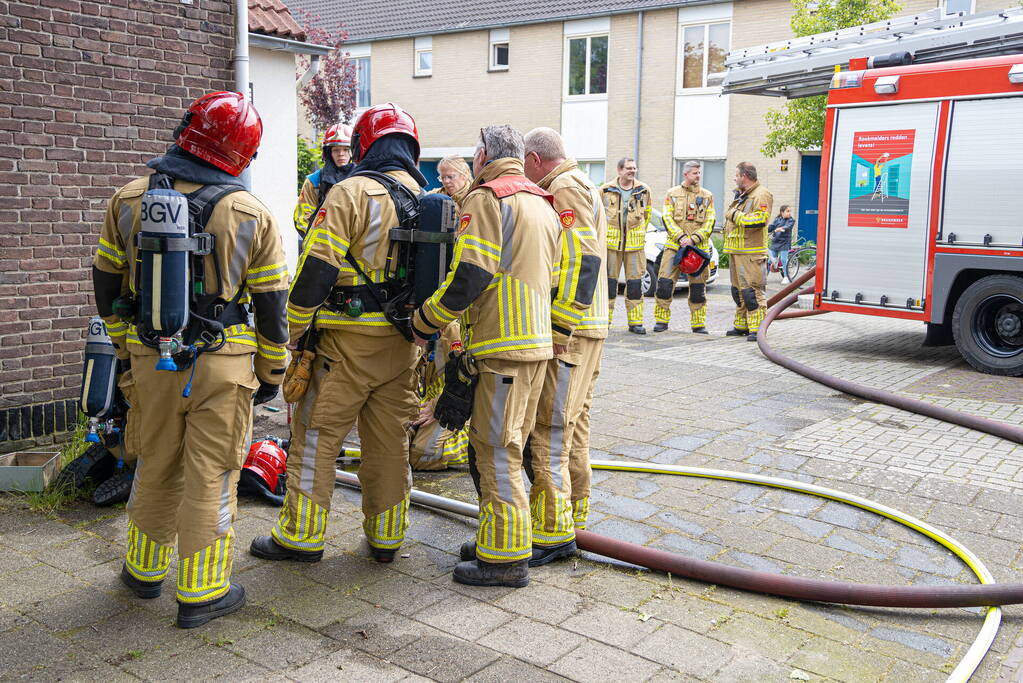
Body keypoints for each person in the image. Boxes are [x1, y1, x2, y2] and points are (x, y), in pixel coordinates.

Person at [92, 91, 289, 628]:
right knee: (213, 472)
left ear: (187, 131)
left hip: (150, 360)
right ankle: (203, 592)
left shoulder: (129, 199)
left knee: (154, 460)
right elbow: (272, 306)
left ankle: (143, 572)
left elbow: (106, 281)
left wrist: (123, 344)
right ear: (241, 155)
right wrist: (272, 372)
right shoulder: (251, 213)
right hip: (222, 365)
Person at [249, 103, 426, 565]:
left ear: (365, 145)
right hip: (404, 344)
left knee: (316, 437)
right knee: (389, 443)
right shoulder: (426, 198)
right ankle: (387, 539)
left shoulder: (351, 192)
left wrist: (294, 329)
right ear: (411, 147)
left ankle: (300, 537)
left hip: (343, 346)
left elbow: (317, 268)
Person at [411, 125, 560, 588]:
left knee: (496, 450)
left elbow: (471, 274)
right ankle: (499, 539)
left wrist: (425, 320)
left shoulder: (488, 198)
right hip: (535, 344)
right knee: (507, 444)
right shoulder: (542, 201)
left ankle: (505, 559)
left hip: (501, 348)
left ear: (481, 156)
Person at [518, 126, 607, 562]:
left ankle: (552, 532)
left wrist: (558, 328)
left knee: (549, 429)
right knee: (574, 428)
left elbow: (582, 258)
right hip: (590, 329)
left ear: (535, 159)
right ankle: (574, 516)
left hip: (571, 334)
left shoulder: (565, 187)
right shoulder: (584, 181)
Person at [653, 160, 716, 334]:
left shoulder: (707, 196)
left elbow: (710, 221)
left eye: (699, 172)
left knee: (697, 289)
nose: (698, 176)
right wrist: (681, 237)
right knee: (664, 284)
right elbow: (667, 218)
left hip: (698, 250)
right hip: (674, 247)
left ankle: (698, 324)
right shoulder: (671, 194)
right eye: (695, 173)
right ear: (686, 174)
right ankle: (661, 321)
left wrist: (694, 239)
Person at [407, 321, 469, 470]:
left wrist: (436, 407)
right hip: (431, 403)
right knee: (397, 448)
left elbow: (463, 379)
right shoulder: (421, 325)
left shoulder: (452, 330)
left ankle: (480, 446)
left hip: (453, 405)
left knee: (420, 455)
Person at [723, 162, 774, 342]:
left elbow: (760, 220)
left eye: (736, 175)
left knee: (753, 292)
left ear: (744, 176)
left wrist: (734, 215)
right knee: (738, 291)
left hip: (751, 253)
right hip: (737, 251)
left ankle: (757, 329)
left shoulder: (761, 195)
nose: (734, 178)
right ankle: (741, 325)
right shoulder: (742, 195)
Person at [601, 158, 652, 334]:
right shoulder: (605, 190)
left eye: (634, 168)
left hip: (634, 246)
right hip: (611, 245)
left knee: (635, 284)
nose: (632, 171)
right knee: (608, 284)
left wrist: (638, 233)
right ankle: (604, 322)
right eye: (629, 168)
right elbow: (598, 215)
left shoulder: (644, 190)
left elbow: (648, 215)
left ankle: (635, 322)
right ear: (619, 170)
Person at [293, 123, 354, 241]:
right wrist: (320, 243)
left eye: (345, 149)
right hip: (322, 249)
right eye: (336, 150)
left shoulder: (362, 179)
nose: (341, 154)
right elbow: (302, 219)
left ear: (352, 151)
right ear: (328, 153)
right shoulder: (314, 181)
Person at [768, 205, 794, 284]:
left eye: (790, 211)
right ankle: (764, 277)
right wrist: (764, 228)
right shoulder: (777, 219)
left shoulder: (791, 220)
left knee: (783, 260)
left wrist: (781, 228)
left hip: (784, 242)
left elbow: (788, 227)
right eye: (787, 211)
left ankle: (786, 277)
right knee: (770, 260)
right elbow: (771, 227)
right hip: (775, 241)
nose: (789, 213)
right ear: (782, 212)